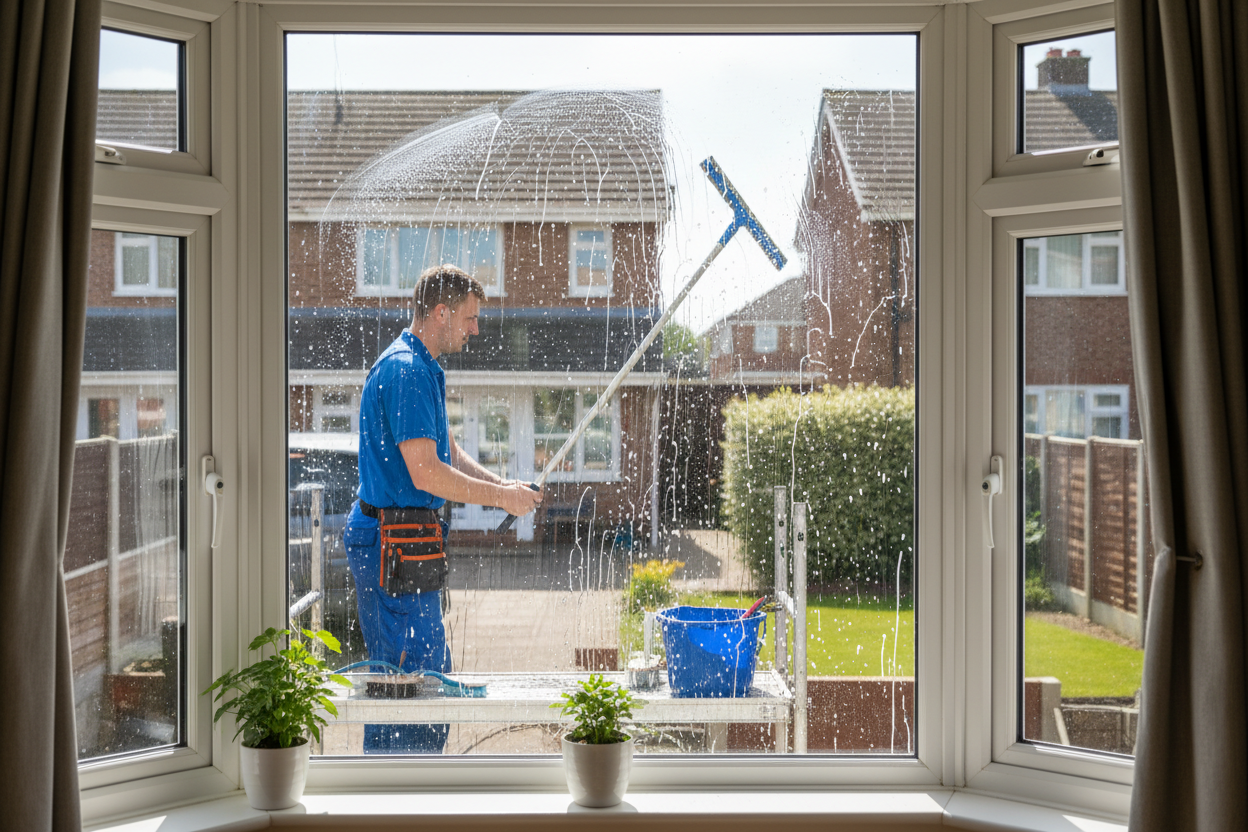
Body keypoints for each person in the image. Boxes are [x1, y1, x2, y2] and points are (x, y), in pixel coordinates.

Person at [342, 264, 543, 754]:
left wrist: (502, 484)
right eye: (469, 317)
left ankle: (416, 782)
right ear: (440, 313)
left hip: (406, 540)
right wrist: (502, 500)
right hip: (391, 545)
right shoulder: (407, 372)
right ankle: (398, 787)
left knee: (425, 676)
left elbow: (447, 451)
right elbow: (427, 473)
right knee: (407, 684)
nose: (475, 328)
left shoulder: (423, 366)